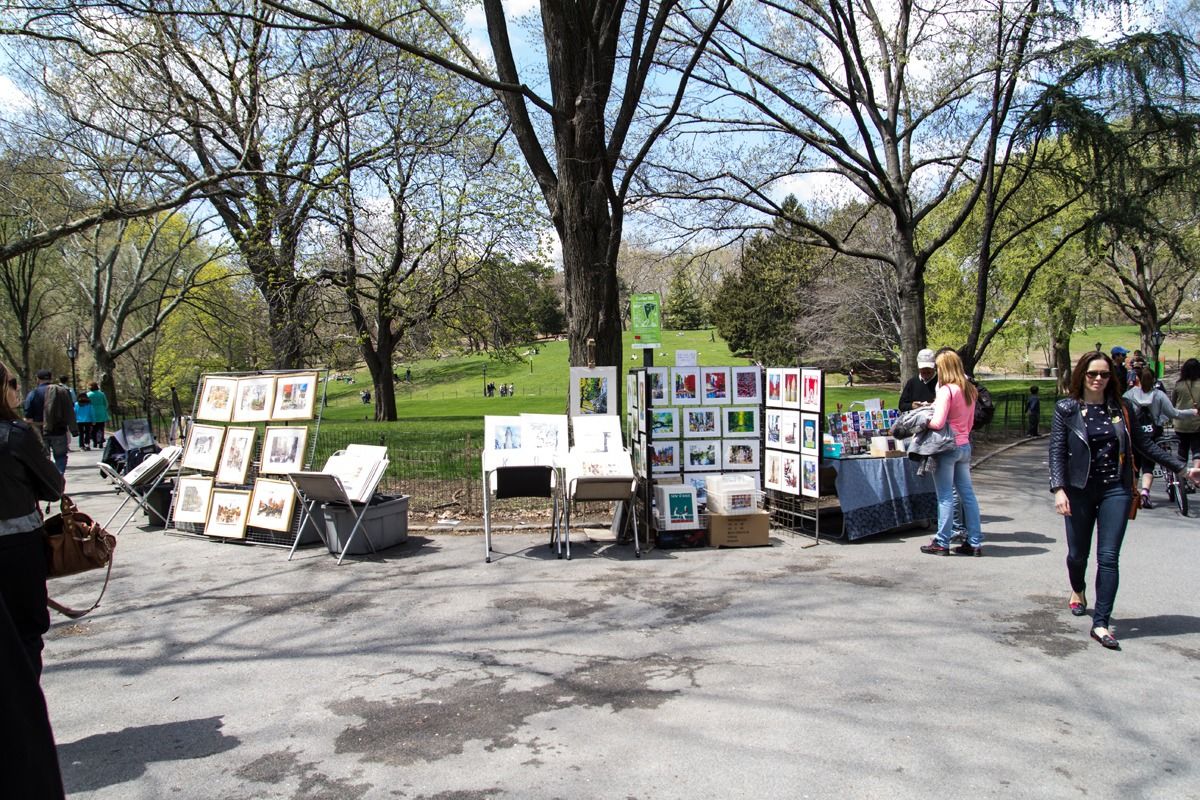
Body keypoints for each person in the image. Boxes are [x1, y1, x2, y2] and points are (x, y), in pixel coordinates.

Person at [1049, 352, 1200, 650]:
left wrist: (1183, 469)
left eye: (1104, 375)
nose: (1098, 379)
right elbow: (1056, 451)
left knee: (1108, 557)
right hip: (1078, 490)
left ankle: (1101, 623)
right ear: (1082, 375)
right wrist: (1059, 489)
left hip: (1114, 490)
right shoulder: (1066, 408)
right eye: (1093, 374)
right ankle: (1077, 589)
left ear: (1111, 378)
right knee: (1078, 554)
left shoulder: (1122, 408)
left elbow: (1145, 445)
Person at [1, 361, 66, 678]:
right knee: (26, 631)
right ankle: (25, 719)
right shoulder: (15, 435)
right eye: (12, 382)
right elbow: (54, 487)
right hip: (16, 544)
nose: (17, 389)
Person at [919, 350, 984, 557]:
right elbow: (971, 422)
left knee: (945, 496)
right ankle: (974, 541)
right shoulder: (970, 390)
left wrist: (922, 421)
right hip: (964, 445)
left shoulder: (947, 390)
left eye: (938, 367)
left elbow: (938, 422)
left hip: (947, 447)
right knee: (967, 495)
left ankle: (942, 541)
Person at [1124, 366, 1198, 507]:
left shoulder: (1128, 396)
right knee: (1148, 466)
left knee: (1134, 466)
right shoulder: (1159, 395)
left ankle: (1133, 494)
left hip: (1134, 435)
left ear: (1137, 378)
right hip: (1153, 434)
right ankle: (1145, 492)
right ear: (1154, 380)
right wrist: (1192, 412)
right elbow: (1175, 413)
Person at [41, 376, 77, 475]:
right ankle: (59, 477)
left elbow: (28, 414)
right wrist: (73, 428)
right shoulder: (64, 392)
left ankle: (48, 479)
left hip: (41, 430)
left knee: (43, 457)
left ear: (37, 379)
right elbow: (70, 411)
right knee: (60, 456)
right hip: (59, 429)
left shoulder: (35, 393)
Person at [1171, 358, 1200, 471]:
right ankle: (1196, 471)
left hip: (1181, 423)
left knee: (1182, 449)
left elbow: (1173, 404)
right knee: (1197, 449)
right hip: (1197, 423)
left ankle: (1183, 477)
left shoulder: (1179, 385)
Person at [86, 381, 110, 448]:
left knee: (94, 429)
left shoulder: (88, 395)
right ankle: (101, 442)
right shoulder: (102, 394)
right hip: (101, 412)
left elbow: (87, 405)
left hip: (92, 413)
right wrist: (103, 408)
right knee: (101, 428)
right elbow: (106, 404)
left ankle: (95, 442)